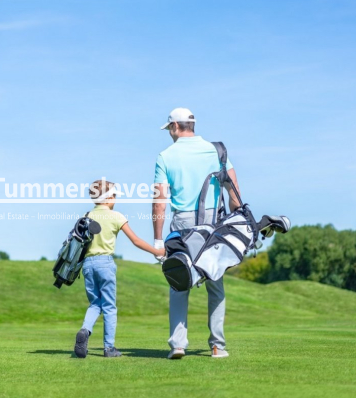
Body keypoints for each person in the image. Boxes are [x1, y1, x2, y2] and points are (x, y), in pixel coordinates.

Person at [151, 108, 242, 360]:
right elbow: (234, 194)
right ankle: (217, 346)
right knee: (215, 282)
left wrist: (158, 240)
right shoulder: (216, 150)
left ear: (174, 127)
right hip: (213, 224)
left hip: (182, 223)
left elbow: (159, 201)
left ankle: (178, 345)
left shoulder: (165, 156)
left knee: (179, 282)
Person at [74, 179, 165, 359]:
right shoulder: (116, 216)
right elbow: (136, 241)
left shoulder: (87, 215)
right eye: (114, 195)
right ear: (107, 198)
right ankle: (109, 348)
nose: (115, 198)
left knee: (95, 303)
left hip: (88, 265)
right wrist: (157, 251)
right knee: (109, 306)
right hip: (105, 264)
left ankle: (85, 329)